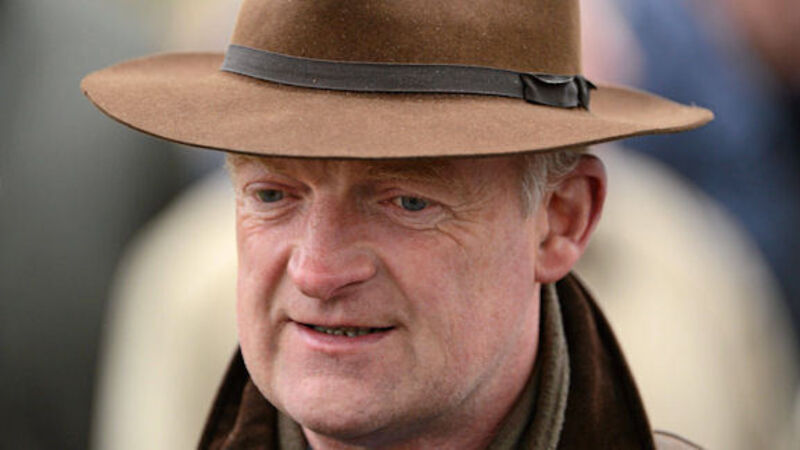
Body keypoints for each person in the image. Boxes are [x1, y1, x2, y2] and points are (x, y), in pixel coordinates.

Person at [81, 0, 714, 448]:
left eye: (408, 202)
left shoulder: (692, 272)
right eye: (272, 195)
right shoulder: (175, 283)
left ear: (559, 219)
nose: (318, 271)